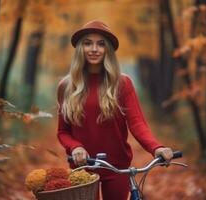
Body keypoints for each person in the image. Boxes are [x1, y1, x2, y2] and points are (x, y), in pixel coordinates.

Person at [57, 20, 173, 200]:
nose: (94, 49)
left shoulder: (122, 83)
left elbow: (137, 123)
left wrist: (156, 148)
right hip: (82, 168)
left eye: (101, 44)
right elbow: (63, 132)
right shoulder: (66, 86)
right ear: (80, 48)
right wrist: (75, 147)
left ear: (108, 50)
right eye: (88, 43)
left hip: (117, 166)